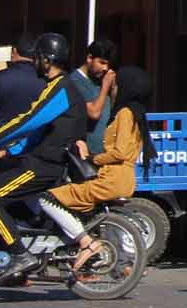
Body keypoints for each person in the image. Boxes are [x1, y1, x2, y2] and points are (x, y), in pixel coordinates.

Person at [0, 32, 101, 275]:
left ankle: (20, 254)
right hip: (41, 161)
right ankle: (31, 246)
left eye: (38, 58)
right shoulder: (57, 87)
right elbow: (37, 133)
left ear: (47, 60)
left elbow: (27, 122)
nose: (35, 62)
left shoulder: (59, 89)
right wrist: (4, 153)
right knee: (22, 205)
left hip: (43, 165)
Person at [49, 65, 155, 272]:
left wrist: (92, 158)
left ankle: (85, 245)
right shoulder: (134, 113)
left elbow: (120, 152)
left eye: (116, 85)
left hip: (112, 178)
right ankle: (119, 266)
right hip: (120, 178)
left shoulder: (125, 113)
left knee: (49, 198)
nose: (113, 90)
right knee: (97, 219)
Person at [68, 38, 119, 132]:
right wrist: (105, 87)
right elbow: (94, 113)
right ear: (89, 58)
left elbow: (108, 112)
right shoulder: (74, 81)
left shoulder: (101, 80)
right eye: (102, 63)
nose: (105, 68)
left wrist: (113, 91)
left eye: (108, 65)